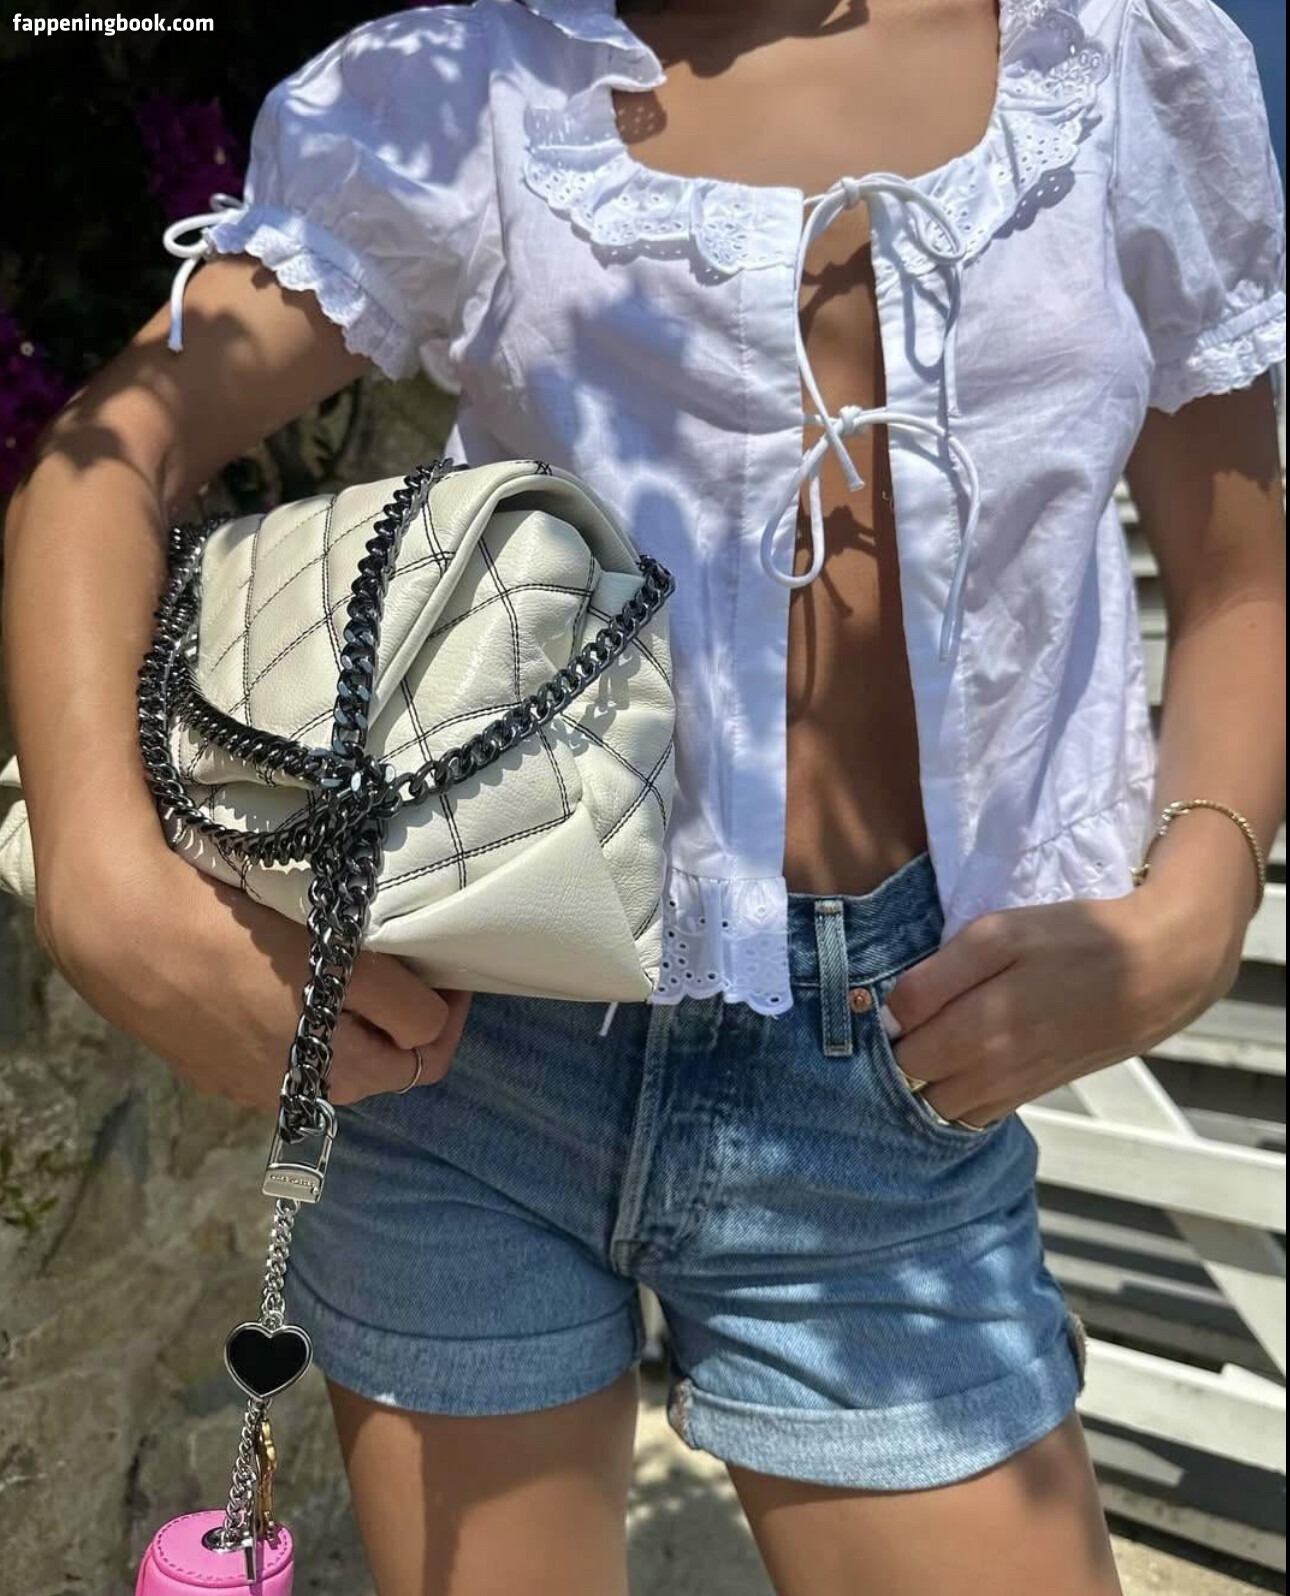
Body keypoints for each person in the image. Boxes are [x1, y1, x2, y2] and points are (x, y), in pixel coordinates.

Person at [4, 2, 1285, 1593]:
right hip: (471, 1053)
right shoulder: (460, 92)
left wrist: (1195, 910)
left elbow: (1240, 585)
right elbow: (112, 449)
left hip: (889, 1083)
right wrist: (100, 886)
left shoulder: (1122, 62)